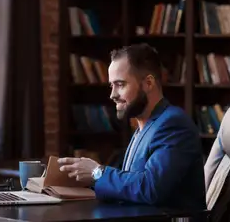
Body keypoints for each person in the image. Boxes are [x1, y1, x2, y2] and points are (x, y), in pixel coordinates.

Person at [58, 43, 206, 211]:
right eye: (111, 85)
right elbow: (129, 184)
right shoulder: (143, 126)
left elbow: (151, 188)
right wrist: (76, 182)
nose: (112, 95)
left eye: (120, 84)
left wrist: (97, 173)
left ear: (148, 83)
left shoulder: (173, 124)